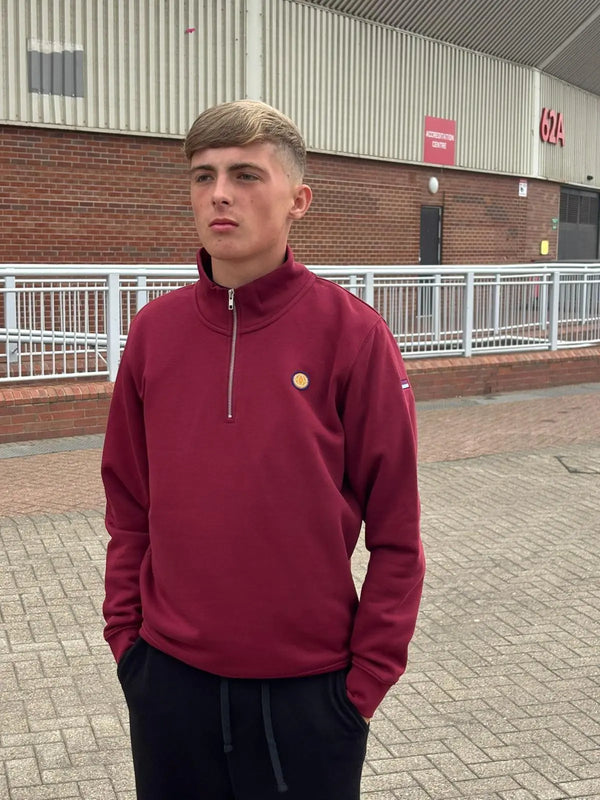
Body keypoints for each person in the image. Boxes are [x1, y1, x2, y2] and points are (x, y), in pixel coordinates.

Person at [101, 99, 425, 800]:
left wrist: (364, 683)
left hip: (310, 698)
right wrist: (128, 642)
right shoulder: (153, 333)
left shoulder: (353, 336)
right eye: (204, 176)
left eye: (246, 174)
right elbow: (128, 506)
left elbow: (397, 534)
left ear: (298, 199)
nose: (220, 193)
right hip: (169, 685)